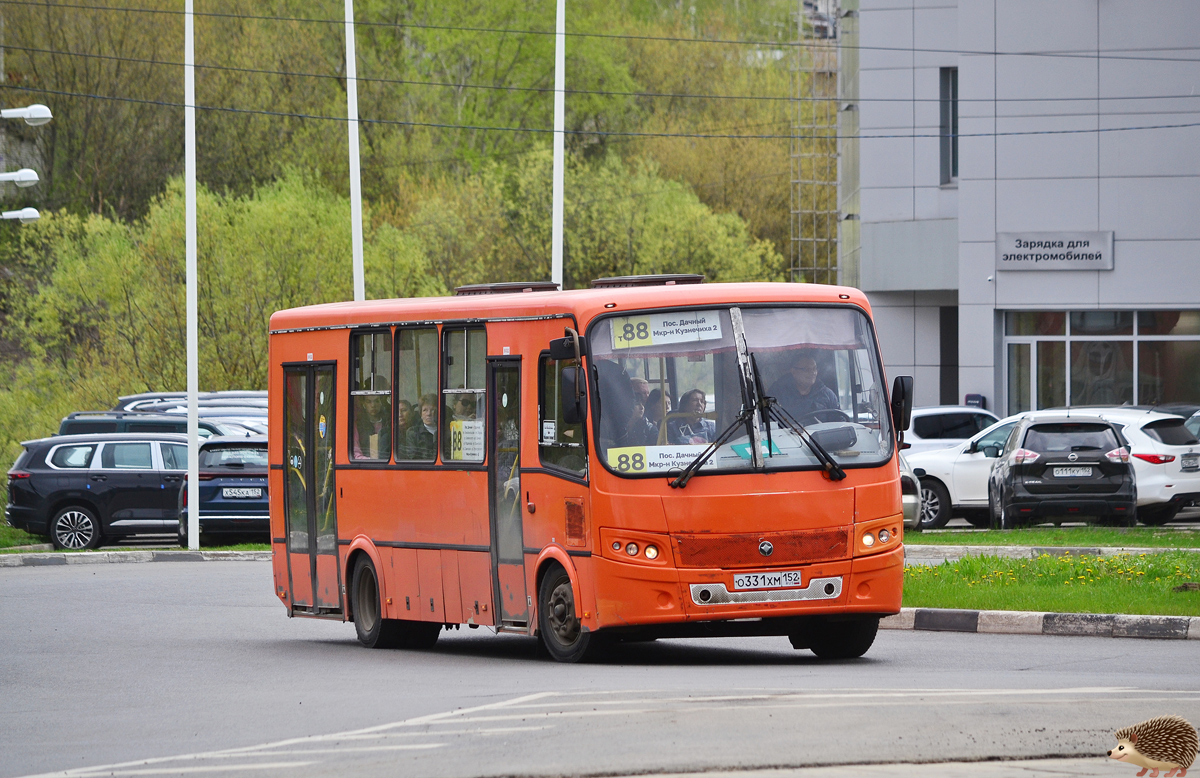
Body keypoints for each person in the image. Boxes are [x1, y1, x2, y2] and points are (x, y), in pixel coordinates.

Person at [768, 351, 839, 421]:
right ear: (793, 371)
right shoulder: (777, 393)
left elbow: (839, 423)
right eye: (807, 369)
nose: (813, 373)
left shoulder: (828, 395)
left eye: (814, 368)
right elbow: (769, 421)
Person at [352, 394, 390, 460]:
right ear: (364, 404)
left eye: (377, 401)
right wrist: (371, 461)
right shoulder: (357, 425)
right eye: (368, 402)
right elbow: (355, 452)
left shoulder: (389, 422)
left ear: (381, 403)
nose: (373, 405)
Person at [403, 393, 439, 460]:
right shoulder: (413, 433)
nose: (429, 414)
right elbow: (413, 458)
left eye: (432, 410)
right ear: (421, 414)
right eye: (425, 410)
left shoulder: (446, 432)